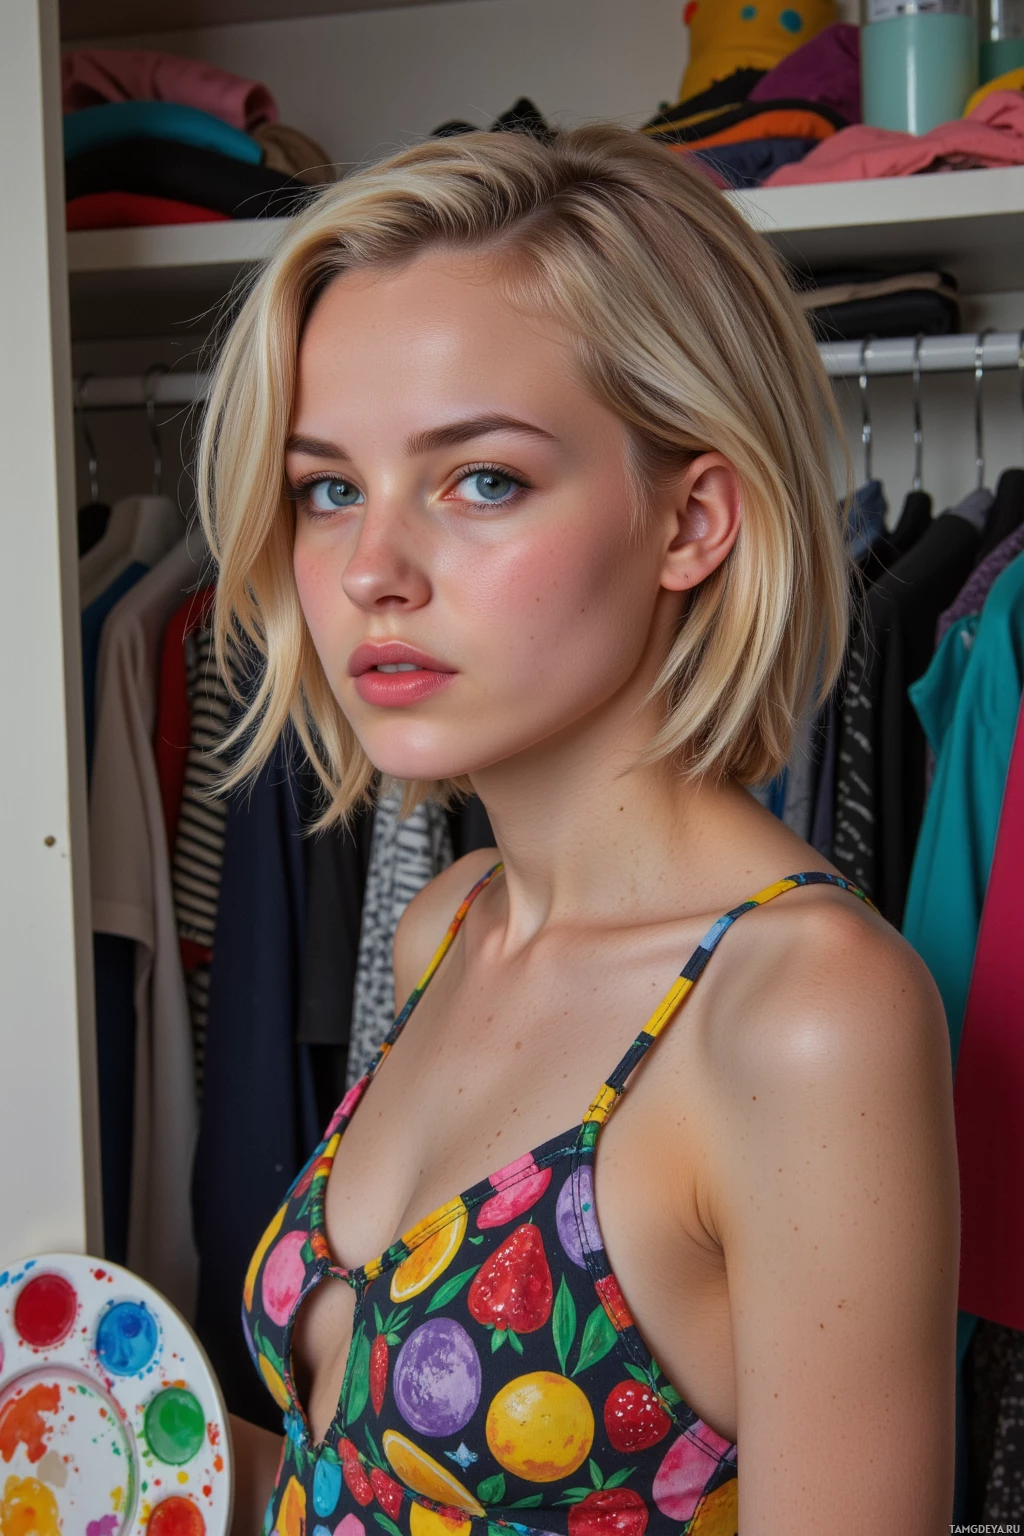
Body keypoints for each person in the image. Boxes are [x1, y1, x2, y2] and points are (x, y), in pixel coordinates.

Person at [198, 124, 959, 1536]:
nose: (371, 570)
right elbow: (373, 1481)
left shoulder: (800, 1013)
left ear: (693, 521)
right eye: (328, 488)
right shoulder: (455, 923)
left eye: (481, 478)